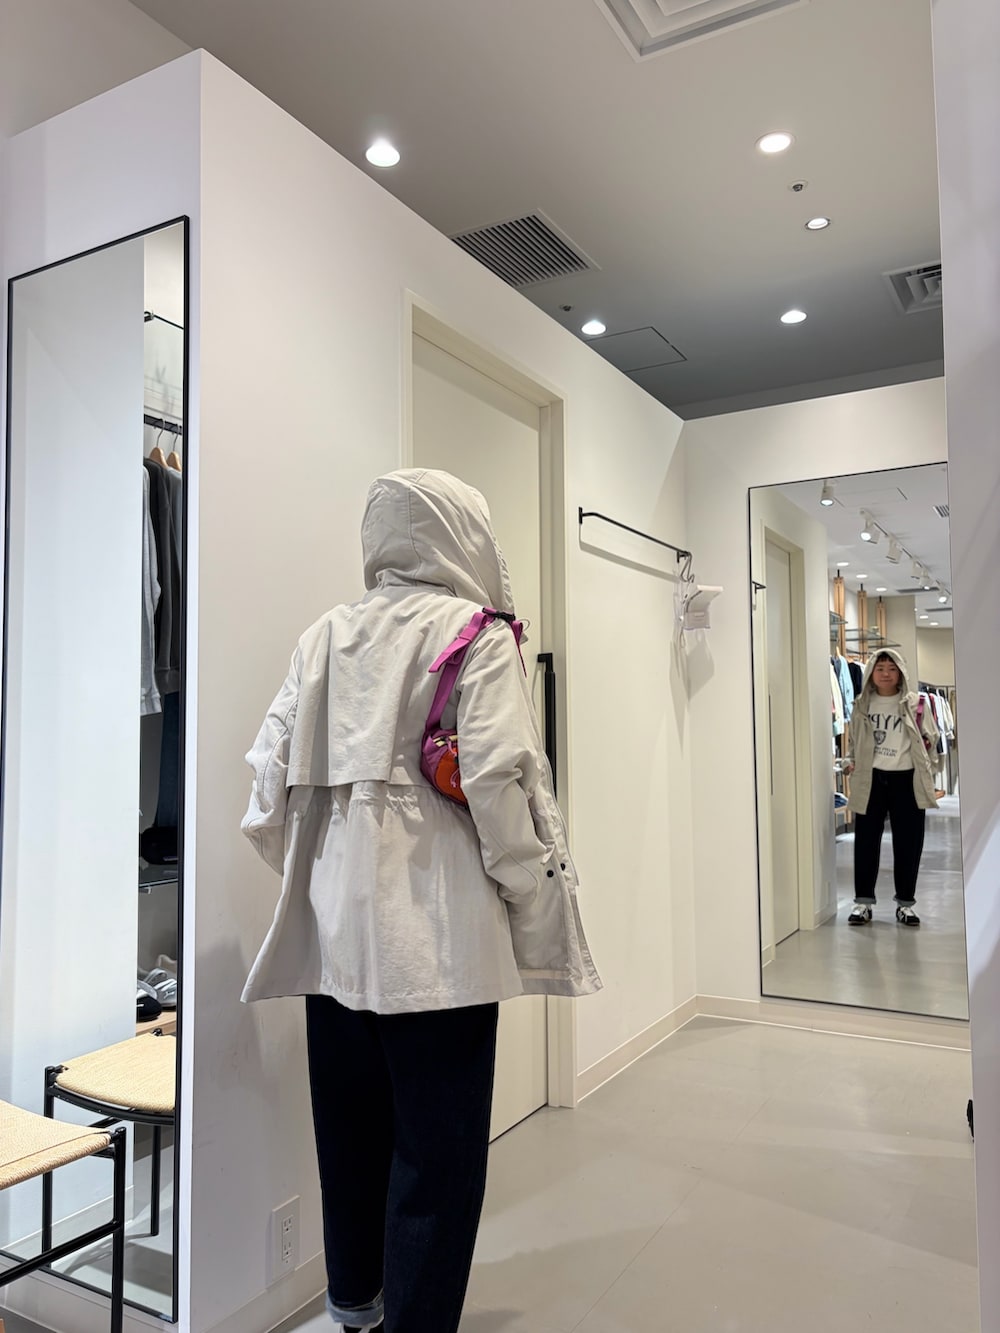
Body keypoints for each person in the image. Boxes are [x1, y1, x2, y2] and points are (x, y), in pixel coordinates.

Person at [240, 468, 602, 1333]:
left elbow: (264, 792)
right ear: (465, 535)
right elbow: (500, 788)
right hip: (441, 950)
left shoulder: (323, 635)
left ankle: (354, 1308)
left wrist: (327, 875)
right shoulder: (477, 635)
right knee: (436, 1163)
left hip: (333, 946)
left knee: (349, 1137)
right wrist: (531, 900)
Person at [844, 648, 939, 927]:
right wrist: (851, 761)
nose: (886, 674)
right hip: (871, 778)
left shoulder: (916, 703)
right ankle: (863, 903)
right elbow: (855, 739)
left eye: (892, 668)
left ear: (901, 673)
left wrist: (928, 765)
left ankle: (906, 904)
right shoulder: (862, 704)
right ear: (871, 672)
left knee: (909, 842)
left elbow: (931, 737)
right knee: (865, 841)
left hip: (906, 779)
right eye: (880, 668)